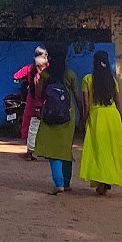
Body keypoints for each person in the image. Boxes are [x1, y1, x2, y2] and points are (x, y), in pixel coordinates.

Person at [32, 49, 81, 194]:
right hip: (68, 116)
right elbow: (77, 97)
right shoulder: (70, 75)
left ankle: (58, 183)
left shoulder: (45, 75)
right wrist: (83, 116)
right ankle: (66, 183)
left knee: (53, 151)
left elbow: (38, 95)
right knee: (65, 149)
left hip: (49, 115)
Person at [79, 51, 122, 195]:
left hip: (97, 117)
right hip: (113, 118)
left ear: (94, 62)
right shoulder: (112, 80)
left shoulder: (87, 80)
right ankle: (107, 180)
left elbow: (86, 105)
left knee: (98, 151)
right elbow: (118, 104)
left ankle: (102, 181)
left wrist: (84, 120)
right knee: (112, 151)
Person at [13, 46, 50, 160]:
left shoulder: (29, 69)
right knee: (46, 126)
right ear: (46, 56)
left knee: (32, 126)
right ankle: (45, 151)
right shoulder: (50, 69)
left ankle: (29, 152)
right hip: (47, 100)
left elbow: (16, 76)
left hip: (32, 100)